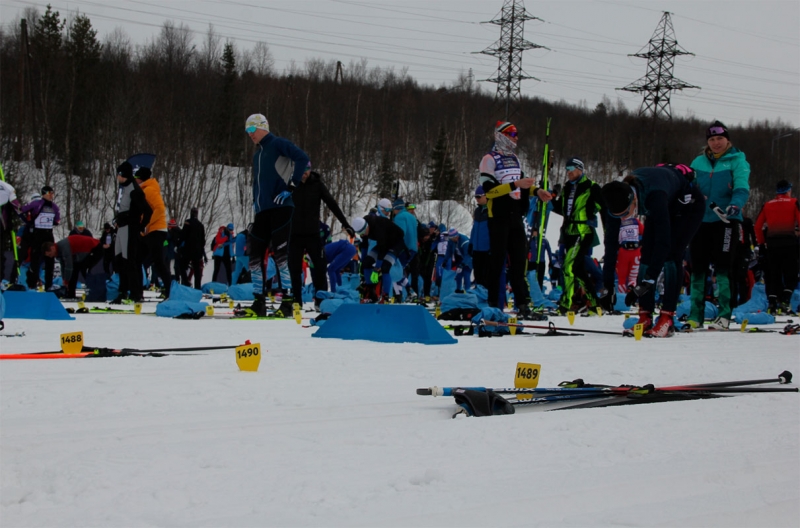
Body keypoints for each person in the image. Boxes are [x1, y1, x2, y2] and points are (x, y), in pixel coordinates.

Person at [601, 164, 705, 337]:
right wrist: (607, 287)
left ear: (634, 201)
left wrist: (648, 282)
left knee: (672, 256)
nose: (625, 218)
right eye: (619, 216)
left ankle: (667, 318)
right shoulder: (614, 200)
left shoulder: (654, 196)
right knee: (646, 258)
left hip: (687, 205)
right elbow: (611, 244)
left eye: (627, 213)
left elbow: (663, 243)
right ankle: (645, 316)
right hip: (664, 201)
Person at [479, 121, 552, 317]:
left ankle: (522, 304)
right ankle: (494, 303)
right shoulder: (489, 159)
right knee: (497, 261)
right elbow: (489, 191)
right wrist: (514, 185)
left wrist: (538, 191)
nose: (516, 138)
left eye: (516, 134)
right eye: (512, 134)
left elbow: (524, 185)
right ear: (501, 135)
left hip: (516, 215)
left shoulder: (514, 159)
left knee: (520, 261)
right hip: (498, 216)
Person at [242, 113, 309, 317]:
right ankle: (258, 302)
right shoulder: (257, 154)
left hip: (281, 207)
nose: (250, 135)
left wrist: (292, 185)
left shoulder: (278, 143)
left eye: (252, 130)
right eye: (247, 132)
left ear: (263, 127)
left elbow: (302, 158)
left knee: (280, 254)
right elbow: (259, 182)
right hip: (263, 210)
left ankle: (288, 302)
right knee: (254, 255)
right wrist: (255, 203)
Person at [688, 121, 751, 330]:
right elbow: (689, 187)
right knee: (697, 268)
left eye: (720, 139)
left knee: (723, 268)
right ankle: (695, 315)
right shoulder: (698, 162)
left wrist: (735, 205)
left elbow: (742, 187)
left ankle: (724, 314)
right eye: (712, 139)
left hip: (725, 220)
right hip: (700, 221)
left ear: (728, 140)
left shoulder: (737, 160)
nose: (716, 143)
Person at [289, 162, 353, 309]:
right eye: (301, 171)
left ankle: (320, 300)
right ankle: (296, 301)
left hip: (313, 234)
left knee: (320, 267)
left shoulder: (317, 185)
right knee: (294, 268)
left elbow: (332, 204)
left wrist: (345, 223)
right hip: (295, 234)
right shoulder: (291, 185)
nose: (304, 174)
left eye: (306, 170)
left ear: (310, 170)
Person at [550, 156, 603, 314]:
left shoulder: (591, 186)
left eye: (571, 169)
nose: (568, 172)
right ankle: (595, 304)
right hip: (568, 232)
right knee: (578, 271)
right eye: (566, 169)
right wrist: (551, 199)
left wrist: (589, 214)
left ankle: (565, 304)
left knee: (568, 267)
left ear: (579, 169)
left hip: (583, 231)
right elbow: (562, 209)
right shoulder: (567, 187)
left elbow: (601, 205)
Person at [754, 179, 800, 314]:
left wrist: (762, 244)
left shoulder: (767, 205)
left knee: (773, 274)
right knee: (791, 273)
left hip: (772, 244)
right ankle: (785, 300)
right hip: (789, 243)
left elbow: (757, 226)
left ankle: (772, 303)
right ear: (788, 190)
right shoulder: (793, 202)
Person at [113, 162, 152, 303]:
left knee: (130, 262)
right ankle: (123, 291)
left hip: (130, 229)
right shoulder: (126, 188)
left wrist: (140, 226)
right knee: (119, 261)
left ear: (123, 175)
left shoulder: (135, 190)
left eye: (119, 174)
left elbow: (147, 210)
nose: (117, 177)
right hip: (122, 229)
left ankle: (135, 294)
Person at [351, 214, 407, 303]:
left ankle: (386, 296)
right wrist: (363, 263)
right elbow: (364, 245)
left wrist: (377, 268)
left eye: (364, 232)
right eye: (360, 234)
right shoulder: (363, 226)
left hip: (396, 243)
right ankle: (371, 293)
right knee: (366, 263)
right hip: (384, 243)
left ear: (367, 226)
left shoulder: (378, 227)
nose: (363, 234)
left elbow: (382, 249)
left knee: (385, 267)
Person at [136, 167, 171, 297]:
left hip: (156, 230)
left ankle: (169, 290)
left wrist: (148, 224)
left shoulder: (149, 190)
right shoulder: (144, 190)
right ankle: (137, 292)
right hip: (151, 231)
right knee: (137, 260)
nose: (135, 181)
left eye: (136, 178)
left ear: (141, 178)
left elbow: (160, 208)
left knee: (158, 262)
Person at [20, 185, 60, 290]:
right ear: (44, 193)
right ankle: (32, 284)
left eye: (52, 193)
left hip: (48, 234)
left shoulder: (54, 207)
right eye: (49, 193)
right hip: (38, 234)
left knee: (50, 259)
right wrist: (28, 222)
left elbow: (57, 221)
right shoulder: (36, 203)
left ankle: (49, 285)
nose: (51, 195)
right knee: (35, 259)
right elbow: (21, 210)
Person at [179, 208, 207, 290]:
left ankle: (186, 282)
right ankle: (197, 288)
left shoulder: (188, 222)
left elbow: (183, 235)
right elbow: (203, 240)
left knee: (182, 267)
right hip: (197, 251)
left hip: (188, 249)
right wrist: (202, 251)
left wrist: (179, 245)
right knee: (197, 270)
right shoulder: (200, 225)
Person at [470, 186, 490, 289]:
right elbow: (474, 228)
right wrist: (471, 243)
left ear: (486, 196)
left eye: (478, 196)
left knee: (486, 274)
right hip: (477, 248)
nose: (476, 199)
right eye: (475, 197)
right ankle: (479, 294)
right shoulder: (477, 210)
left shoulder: (492, 209)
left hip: (486, 249)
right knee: (477, 273)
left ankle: (487, 296)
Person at [0, 179, 20, 284]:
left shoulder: (6, 187)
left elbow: (16, 206)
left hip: (2, 225)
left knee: (1, 254)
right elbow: (17, 206)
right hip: (3, 226)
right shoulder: (7, 187)